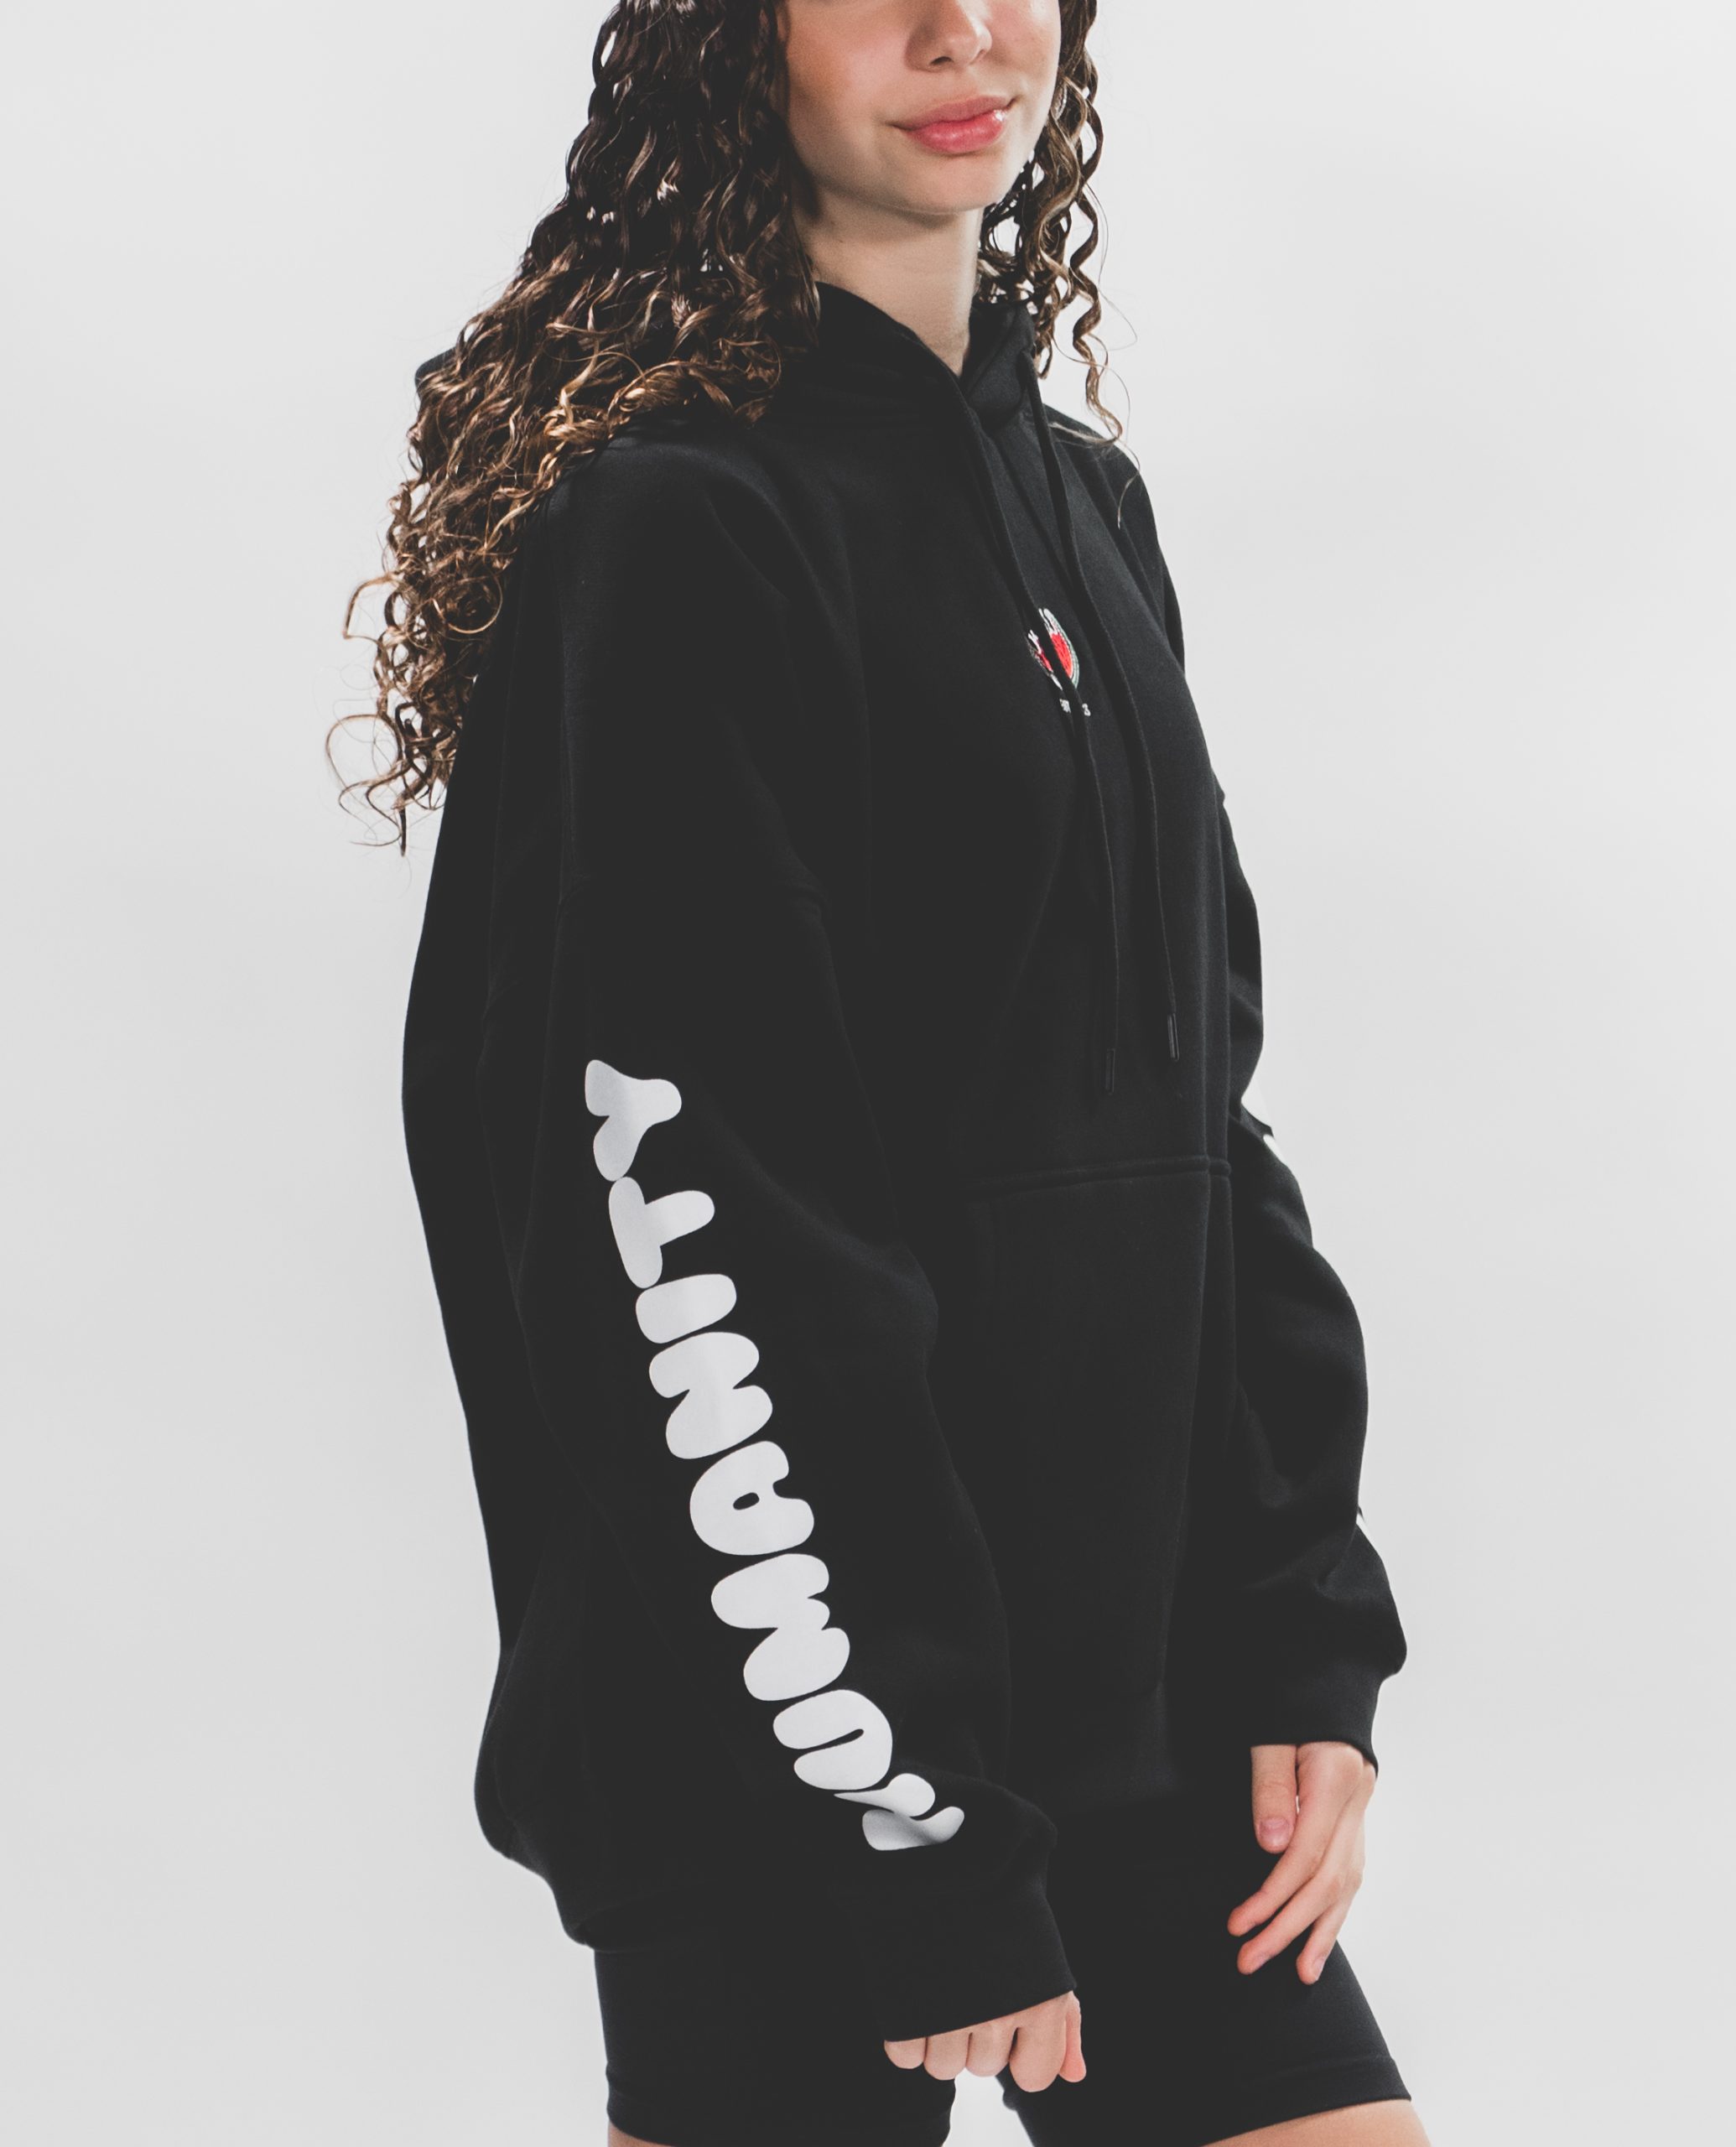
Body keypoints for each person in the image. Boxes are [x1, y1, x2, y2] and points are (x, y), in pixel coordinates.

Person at [339, 4, 1427, 2142]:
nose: (963, 31)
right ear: (728, 36)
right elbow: (693, 1227)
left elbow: (1194, 1121)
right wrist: (909, 1815)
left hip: (1135, 1724)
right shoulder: (680, 526)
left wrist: (1300, 1636)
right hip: (796, 1741)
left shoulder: (1081, 503)